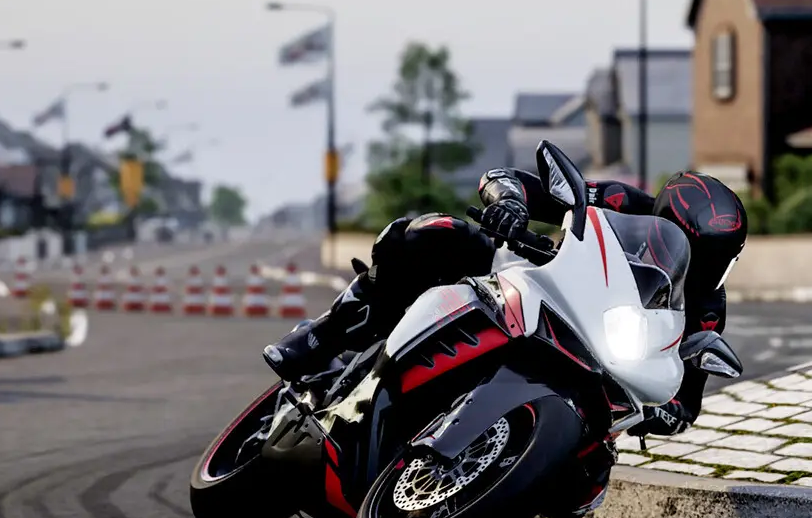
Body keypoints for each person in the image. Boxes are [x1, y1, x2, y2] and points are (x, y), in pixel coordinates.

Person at [264, 145, 747, 437]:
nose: (710, 269)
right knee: (436, 234)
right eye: (703, 255)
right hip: (535, 283)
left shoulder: (707, 307)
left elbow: (686, 401)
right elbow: (518, 182)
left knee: (587, 477)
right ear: (664, 220)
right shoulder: (624, 202)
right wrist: (510, 204)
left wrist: (663, 414)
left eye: (722, 258)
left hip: (599, 363)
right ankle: (323, 335)